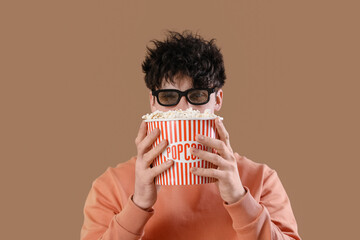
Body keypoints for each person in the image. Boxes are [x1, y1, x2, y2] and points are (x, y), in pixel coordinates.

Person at [80, 30, 301, 240]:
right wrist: (138, 205)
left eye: (197, 95)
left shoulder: (262, 180)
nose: (184, 109)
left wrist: (239, 199)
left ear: (218, 99)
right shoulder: (110, 186)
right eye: (168, 97)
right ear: (152, 102)